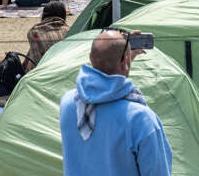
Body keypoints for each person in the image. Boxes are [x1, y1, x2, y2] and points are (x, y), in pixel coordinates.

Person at [59, 30, 172, 176]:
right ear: (125, 61)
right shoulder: (141, 119)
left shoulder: (68, 103)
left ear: (90, 58)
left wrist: (122, 56)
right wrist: (123, 60)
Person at [27, 1, 69, 68]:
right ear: (63, 15)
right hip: (65, 71)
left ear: (43, 15)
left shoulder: (34, 32)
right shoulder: (69, 31)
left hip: (40, 73)